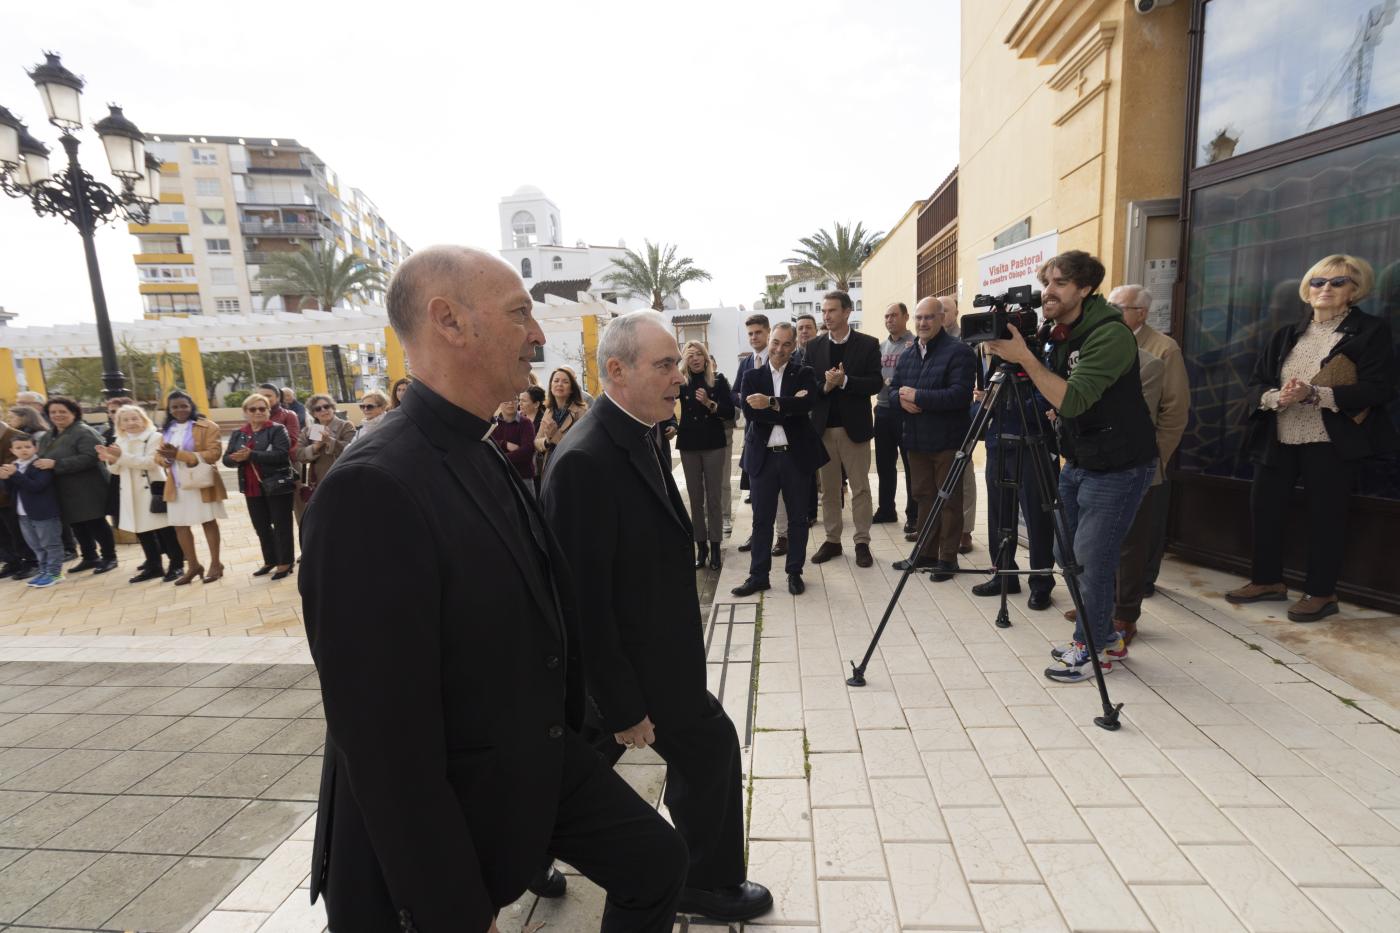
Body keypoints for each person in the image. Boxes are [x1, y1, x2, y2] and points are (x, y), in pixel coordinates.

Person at [301, 246, 688, 932]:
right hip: (451, 790)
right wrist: (449, 907)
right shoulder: (372, 485)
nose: (537, 334)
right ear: (448, 321)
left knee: (656, 862)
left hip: (529, 752)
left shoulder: (475, 445)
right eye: (519, 313)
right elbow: (383, 738)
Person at [542, 310, 772, 924]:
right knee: (708, 745)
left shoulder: (639, 431)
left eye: (677, 363)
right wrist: (622, 704)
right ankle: (703, 882)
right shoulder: (586, 459)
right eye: (665, 364)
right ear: (617, 371)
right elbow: (583, 601)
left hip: (654, 655)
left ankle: (526, 842)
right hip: (633, 666)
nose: (678, 376)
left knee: (573, 767)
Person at [986, 250, 1159, 683]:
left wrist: (1026, 359)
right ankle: (1107, 638)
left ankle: (1091, 649)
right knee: (1067, 553)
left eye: (1060, 283)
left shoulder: (1109, 334)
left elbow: (1073, 399)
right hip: (1079, 458)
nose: (1049, 291)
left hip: (1118, 465)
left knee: (1091, 560)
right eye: (1047, 282)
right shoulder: (1059, 331)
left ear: (1084, 289)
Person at [1229, 254, 1398, 622]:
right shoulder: (1286, 333)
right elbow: (1256, 383)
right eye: (1319, 282)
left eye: (1338, 282)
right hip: (1279, 435)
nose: (1326, 288)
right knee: (1265, 509)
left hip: (1330, 440)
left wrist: (1314, 394)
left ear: (1355, 290)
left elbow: (1379, 388)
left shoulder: (1370, 331)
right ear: (1307, 289)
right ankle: (1267, 581)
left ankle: (1322, 592)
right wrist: (1277, 397)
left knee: (1326, 517)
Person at [1107, 284, 1190, 642]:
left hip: (1141, 461)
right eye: (1109, 306)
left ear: (1141, 313)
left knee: (1132, 541)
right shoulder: (1104, 344)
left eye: (1119, 308)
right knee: (1101, 537)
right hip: (1105, 460)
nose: (1111, 313)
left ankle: (1125, 614)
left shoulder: (1162, 349)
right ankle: (1099, 603)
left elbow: (1175, 410)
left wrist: (1156, 459)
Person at [731, 322, 827, 597]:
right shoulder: (752, 376)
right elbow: (752, 414)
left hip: (795, 458)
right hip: (763, 459)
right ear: (769, 340)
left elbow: (807, 405)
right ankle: (758, 576)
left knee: (798, 519)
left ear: (794, 346)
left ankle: (794, 572)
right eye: (775, 342)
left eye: (786, 344)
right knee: (762, 520)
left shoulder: (804, 373)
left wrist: (772, 402)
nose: (779, 349)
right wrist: (788, 405)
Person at [889, 297, 977, 579]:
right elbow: (893, 390)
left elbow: (960, 396)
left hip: (947, 441)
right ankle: (926, 553)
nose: (923, 323)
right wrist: (900, 400)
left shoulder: (959, 352)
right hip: (916, 441)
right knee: (923, 497)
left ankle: (948, 559)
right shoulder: (908, 354)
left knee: (949, 500)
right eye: (919, 318)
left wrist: (918, 397)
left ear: (941, 318)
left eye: (928, 317)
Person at [969, 352, 1059, 611]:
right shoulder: (998, 365)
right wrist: (985, 403)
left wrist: (999, 402)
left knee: (1037, 518)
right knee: (998, 517)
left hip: (1032, 448)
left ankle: (1041, 583)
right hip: (998, 446)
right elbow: (981, 407)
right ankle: (1003, 575)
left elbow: (1044, 405)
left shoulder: (1040, 359)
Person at [805, 290, 883, 568]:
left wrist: (846, 381)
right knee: (829, 490)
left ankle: (862, 542)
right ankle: (832, 541)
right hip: (823, 430)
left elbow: (876, 383)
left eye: (832, 310)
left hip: (855, 430)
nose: (826, 316)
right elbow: (806, 387)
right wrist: (826, 385)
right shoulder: (813, 347)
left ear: (847, 311)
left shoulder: (868, 344)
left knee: (860, 489)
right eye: (824, 311)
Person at [98, 405, 184, 583]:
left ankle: (176, 564)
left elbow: (151, 463)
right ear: (119, 424)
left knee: (165, 530)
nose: (131, 423)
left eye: (134, 418)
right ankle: (153, 566)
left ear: (143, 420)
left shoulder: (154, 437)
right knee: (142, 531)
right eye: (125, 420)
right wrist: (111, 460)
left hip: (151, 489)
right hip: (130, 491)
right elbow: (116, 470)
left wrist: (120, 457)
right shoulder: (119, 440)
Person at [155, 390, 229, 585]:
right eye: (175, 407)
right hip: (176, 484)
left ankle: (216, 564)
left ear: (191, 406)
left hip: (201, 482)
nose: (180, 410)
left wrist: (179, 455)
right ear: (169, 410)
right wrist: (166, 459)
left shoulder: (207, 426)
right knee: (180, 525)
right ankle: (194, 566)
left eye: (184, 406)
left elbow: (213, 454)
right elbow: (158, 457)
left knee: (208, 521)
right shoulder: (167, 430)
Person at [37, 397, 118, 575]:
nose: (57, 415)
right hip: (64, 489)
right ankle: (90, 557)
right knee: (77, 523)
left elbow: (91, 457)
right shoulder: (48, 435)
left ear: (74, 413)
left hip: (87, 486)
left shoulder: (83, 431)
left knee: (95, 522)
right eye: (53, 412)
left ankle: (109, 557)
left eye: (62, 411)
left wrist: (57, 464)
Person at [676, 341, 735, 570]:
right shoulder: (680, 383)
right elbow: (666, 405)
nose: (695, 358)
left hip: (713, 444)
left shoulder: (718, 380)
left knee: (714, 498)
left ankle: (716, 547)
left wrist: (710, 403)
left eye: (698, 354)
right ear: (685, 360)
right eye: (690, 355)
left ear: (705, 357)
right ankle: (701, 547)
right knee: (695, 498)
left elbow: (730, 412)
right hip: (689, 444)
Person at [225, 395, 296, 580]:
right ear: (245, 412)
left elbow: (282, 454)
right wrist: (235, 458)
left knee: (281, 525)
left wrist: (251, 455)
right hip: (251, 486)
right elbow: (226, 459)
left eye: (262, 409)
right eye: (253, 409)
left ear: (268, 411)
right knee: (261, 526)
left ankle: (285, 562)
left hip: (276, 484)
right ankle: (270, 560)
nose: (258, 412)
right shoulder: (238, 433)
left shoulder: (277, 429)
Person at [872, 302, 917, 530]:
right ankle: (886, 509)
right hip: (882, 410)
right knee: (884, 464)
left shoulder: (915, 344)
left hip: (905, 412)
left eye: (894, 315)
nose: (889, 320)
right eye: (886, 316)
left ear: (906, 317)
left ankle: (914, 515)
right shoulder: (881, 347)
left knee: (910, 465)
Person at [0, 433, 64, 588]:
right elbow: (10, 491)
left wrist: (15, 475)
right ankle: (44, 571)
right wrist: (5, 479)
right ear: (12, 450)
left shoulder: (41, 465)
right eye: (18, 448)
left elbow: (36, 487)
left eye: (27, 446)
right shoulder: (14, 465)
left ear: (35, 448)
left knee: (50, 544)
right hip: (23, 514)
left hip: (44, 512)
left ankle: (55, 573)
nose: (23, 450)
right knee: (36, 546)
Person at [940, 295, 977, 552]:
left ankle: (965, 530)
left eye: (945, 310)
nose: (941, 315)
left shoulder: (970, 340)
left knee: (964, 475)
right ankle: (938, 526)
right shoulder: (926, 340)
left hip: (962, 417)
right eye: (938, 310)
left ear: (956, 312)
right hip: (934, 417)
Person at [732, 314, 771, 554]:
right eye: (750, 334)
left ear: (768, 332)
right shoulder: (746, 363)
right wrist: (747, 402)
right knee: (756, 492)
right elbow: (734, 392)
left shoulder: (779, 358)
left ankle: (783, 536)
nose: (754, 337)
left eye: (758, 332)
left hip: (779, 435)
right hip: (754, 436)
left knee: (781, 494)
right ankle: (757, 535)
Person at [294, 394, 356, 524]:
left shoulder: (346, 426)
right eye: (318, 409)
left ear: (333, 408)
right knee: (323, 520)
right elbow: (298, 454)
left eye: (326, 406)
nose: (323, 410)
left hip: (342, 479)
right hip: (317, 481)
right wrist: (315, 447)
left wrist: (329, 441)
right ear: (313, 414)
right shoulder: (309, 430)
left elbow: (351, 450)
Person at [0, 418, 38, 580]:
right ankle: (13, 562)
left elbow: (13, 467)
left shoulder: (14, 437)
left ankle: (32, 562)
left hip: (10, 496)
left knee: (18, 533)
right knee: (3, 535)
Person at [534, 366, 587, 471]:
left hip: (572, 467)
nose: (559, 384)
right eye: (556, 381)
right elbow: (536, 442)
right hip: (550, 466)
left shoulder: (581, 411)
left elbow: (580, 445)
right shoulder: (548, 411)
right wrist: (547, 441)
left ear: (572, 389)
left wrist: (555, 435)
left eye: (565, 382)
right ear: (551, 386)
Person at [101, 395, 134, 528]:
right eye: (111, 412)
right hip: (119, 482)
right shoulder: (108, 435)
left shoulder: (146, 432)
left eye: (117, 410)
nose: (114, 414)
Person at [491, 396, 537, 481]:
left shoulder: (526, 423)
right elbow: (489, 445)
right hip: (499, 476)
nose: (510, 403)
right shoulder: (493, 423)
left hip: (522, 477)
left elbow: (527, 451)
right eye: (506, 400)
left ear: (518, 402)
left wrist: (500, 458)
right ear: (499, 403)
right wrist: (505, 444)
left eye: (514, 400)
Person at [257, 383, 302, 457]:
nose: (264, 399)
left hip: (284, 459)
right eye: (260, 396)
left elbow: (292, 442)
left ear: (278, 398)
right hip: (258, 459)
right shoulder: (254, 415)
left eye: (268, 396)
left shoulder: (289, 414)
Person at [519, 384, 548, 493]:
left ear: (536, 404)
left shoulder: (545, 422)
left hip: (539, 472)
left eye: (524, 401)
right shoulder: (518, 418)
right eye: (519, 400)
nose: (520, 403)